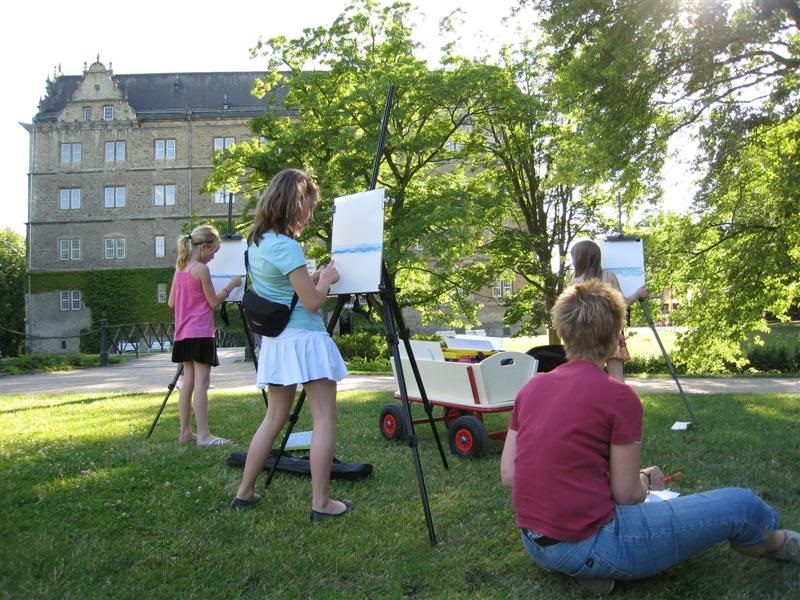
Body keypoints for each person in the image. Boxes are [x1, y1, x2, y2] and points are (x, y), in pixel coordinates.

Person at [500, 279, 799, 595]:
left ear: (563, 331)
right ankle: (775, 540)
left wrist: (629, 479)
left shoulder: (531, 387)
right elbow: (627, 494)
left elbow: (510, 473)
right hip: (593, 542)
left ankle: (588, 569)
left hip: (535, 544)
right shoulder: (617, 396)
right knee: (742, 505)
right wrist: (643, 481)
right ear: (617, 336)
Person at [231, 168, 352, 522]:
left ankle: (245, 492)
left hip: (277, 343)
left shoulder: (257, 243)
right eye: (308, 206)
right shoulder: (287, 245)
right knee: (324, 417)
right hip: (305, 340)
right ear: (293, 204)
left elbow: (287, 289)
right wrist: (327, 279)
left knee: (273, 418)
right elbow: (312, 301)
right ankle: (322, 503)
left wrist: (314, 279)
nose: (310, 215)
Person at [168, 224, 241, 447]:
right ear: (205, 247)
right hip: (200, 332)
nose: (213, 258)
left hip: (182, 334)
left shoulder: (180, 267)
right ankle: (204, 436)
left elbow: (171, 302)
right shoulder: (200, 269)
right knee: (202, 383)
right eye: (214, 252)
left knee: (187, 382)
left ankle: (185, 432)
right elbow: (213, 302)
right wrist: (230, 286)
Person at [570, 239, 648, 381]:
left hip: (587, 335)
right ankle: (619, 403)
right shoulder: (608, 277)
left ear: (580, 258)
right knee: (617, 376)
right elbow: (622, 303)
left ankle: (594, 402)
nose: (573, 262)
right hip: (611, 332)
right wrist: (637, 294)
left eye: (573, 257)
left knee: (590, 375)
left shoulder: (575, 283)